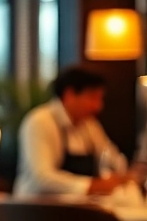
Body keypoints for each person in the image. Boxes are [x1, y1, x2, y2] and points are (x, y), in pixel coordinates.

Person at [14, 66, 140, 197]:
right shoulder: (39, 122)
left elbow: (111, 158)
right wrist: (92, 185)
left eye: (100, 99)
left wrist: (125, 174)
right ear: (69, 95)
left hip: (76, 208)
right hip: (36, 209)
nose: (98, 106)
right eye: (93, 98)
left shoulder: (90, 125)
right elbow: (42, 178)